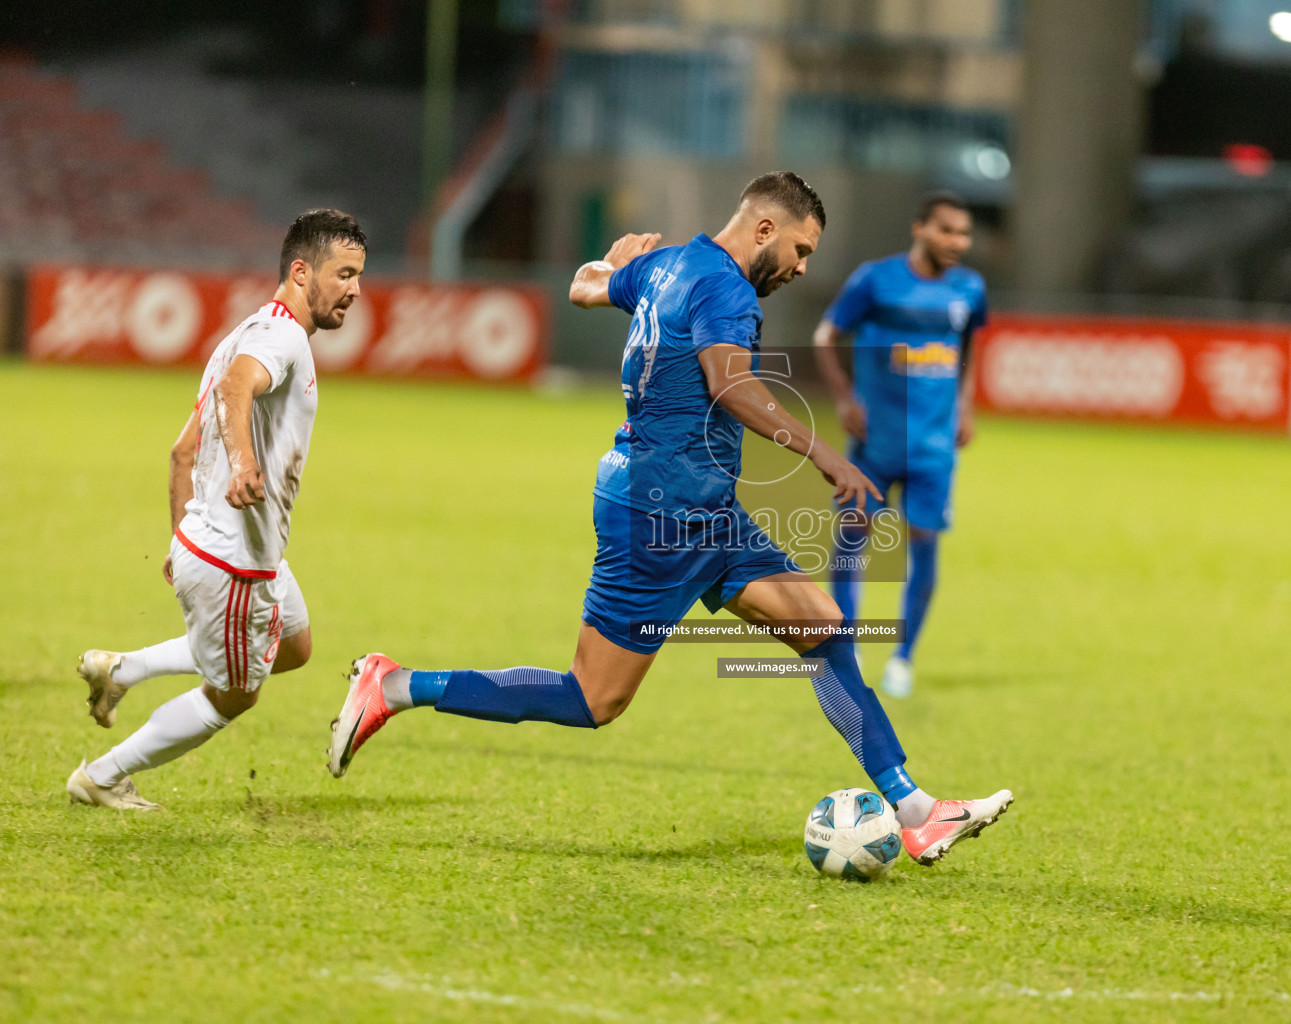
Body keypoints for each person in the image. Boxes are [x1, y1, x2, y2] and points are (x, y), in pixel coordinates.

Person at [326, 172, 1010, 865]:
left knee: (825, 630)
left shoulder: (668, 263)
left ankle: (916, 813)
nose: (803, 268)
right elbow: (731, 383)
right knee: (592, 698)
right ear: (765, 229)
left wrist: (613, 265)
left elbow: (584, 289)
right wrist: (828, 458)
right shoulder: (726, 288)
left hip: (705, 510)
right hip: (656, 516)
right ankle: (394, 685)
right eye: (801, 250)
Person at [67, 209, 367, 811]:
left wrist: (180, 545)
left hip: (225, 547)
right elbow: (236, 391)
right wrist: (244, 465)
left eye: (359, 276)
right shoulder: (279, 339)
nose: (355, 289)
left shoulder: (243, 333)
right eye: (344, 274)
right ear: (301, 271)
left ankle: (121, 668)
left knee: (293, 644)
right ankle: (100, 776)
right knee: (233, 694)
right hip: (236, 561)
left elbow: (182, 452)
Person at [812, 193, 987, 699]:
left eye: (964, 233)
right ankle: (848, 647)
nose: (958, 242)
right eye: (947, 231)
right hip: (876, 439)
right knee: (852, 538)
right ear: (920, 229)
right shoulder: (875, 279)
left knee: (925, 542)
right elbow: (826, 336)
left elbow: (972, 344)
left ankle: (903, 658)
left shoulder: (969, 288)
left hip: (934, 445)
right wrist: (845, 400)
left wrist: (966, 405)